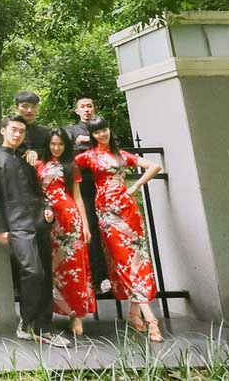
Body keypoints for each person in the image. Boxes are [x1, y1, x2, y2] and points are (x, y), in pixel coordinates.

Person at [0, 116, 69, 347]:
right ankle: (28, 323)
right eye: (13, 130)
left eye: (21, 131)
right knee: (32, 271)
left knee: (45, 274)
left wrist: (48, 209)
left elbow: (39, 190)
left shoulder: (26, 159)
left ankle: (44, 325)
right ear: (3, 131)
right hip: (16, 223)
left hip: (38, 219)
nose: (17, 134)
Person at [75, 117, 164, 342]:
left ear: (108, 130)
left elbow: (155, 166)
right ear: (93, 135)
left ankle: (135, 313)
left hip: (128, 210)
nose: (102, 135)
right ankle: (150, 319)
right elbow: (66, 166)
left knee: (137, 258)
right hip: (107, 213)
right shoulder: (89, 156)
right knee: (122, 260)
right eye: (97, 132)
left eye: (104, 130)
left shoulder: (122, 155)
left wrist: (135, 185)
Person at [36, 129, 96, 336]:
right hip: (48, 220)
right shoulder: (38, 165)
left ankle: (77, 316)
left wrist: (85, 225)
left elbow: (78, 197)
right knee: (52, 269)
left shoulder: (71, 166)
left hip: (69, 219)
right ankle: (49, 313)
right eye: (53, 144)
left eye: (60, 144)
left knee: (75, 267)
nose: (56, 148)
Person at [64, 96, 109, 292]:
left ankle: (111, 276)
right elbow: (67, 153)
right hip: (85, 187)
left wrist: (90, 140)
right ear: (77, 111)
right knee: (88, 229)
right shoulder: (72, 131)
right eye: (82, 107)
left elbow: (112, 146)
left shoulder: (102, 127)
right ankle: (96, 277)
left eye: (89, 106)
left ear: (94, 107)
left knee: (109, 230)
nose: (87, 109)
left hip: (107, 186)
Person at [15, 91, 50, 165]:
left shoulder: (46, 132)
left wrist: (36, 153)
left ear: (38, 108)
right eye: (25, 106)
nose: (29, 110)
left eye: (33, 106)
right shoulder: (9, 132)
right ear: (16, 108)